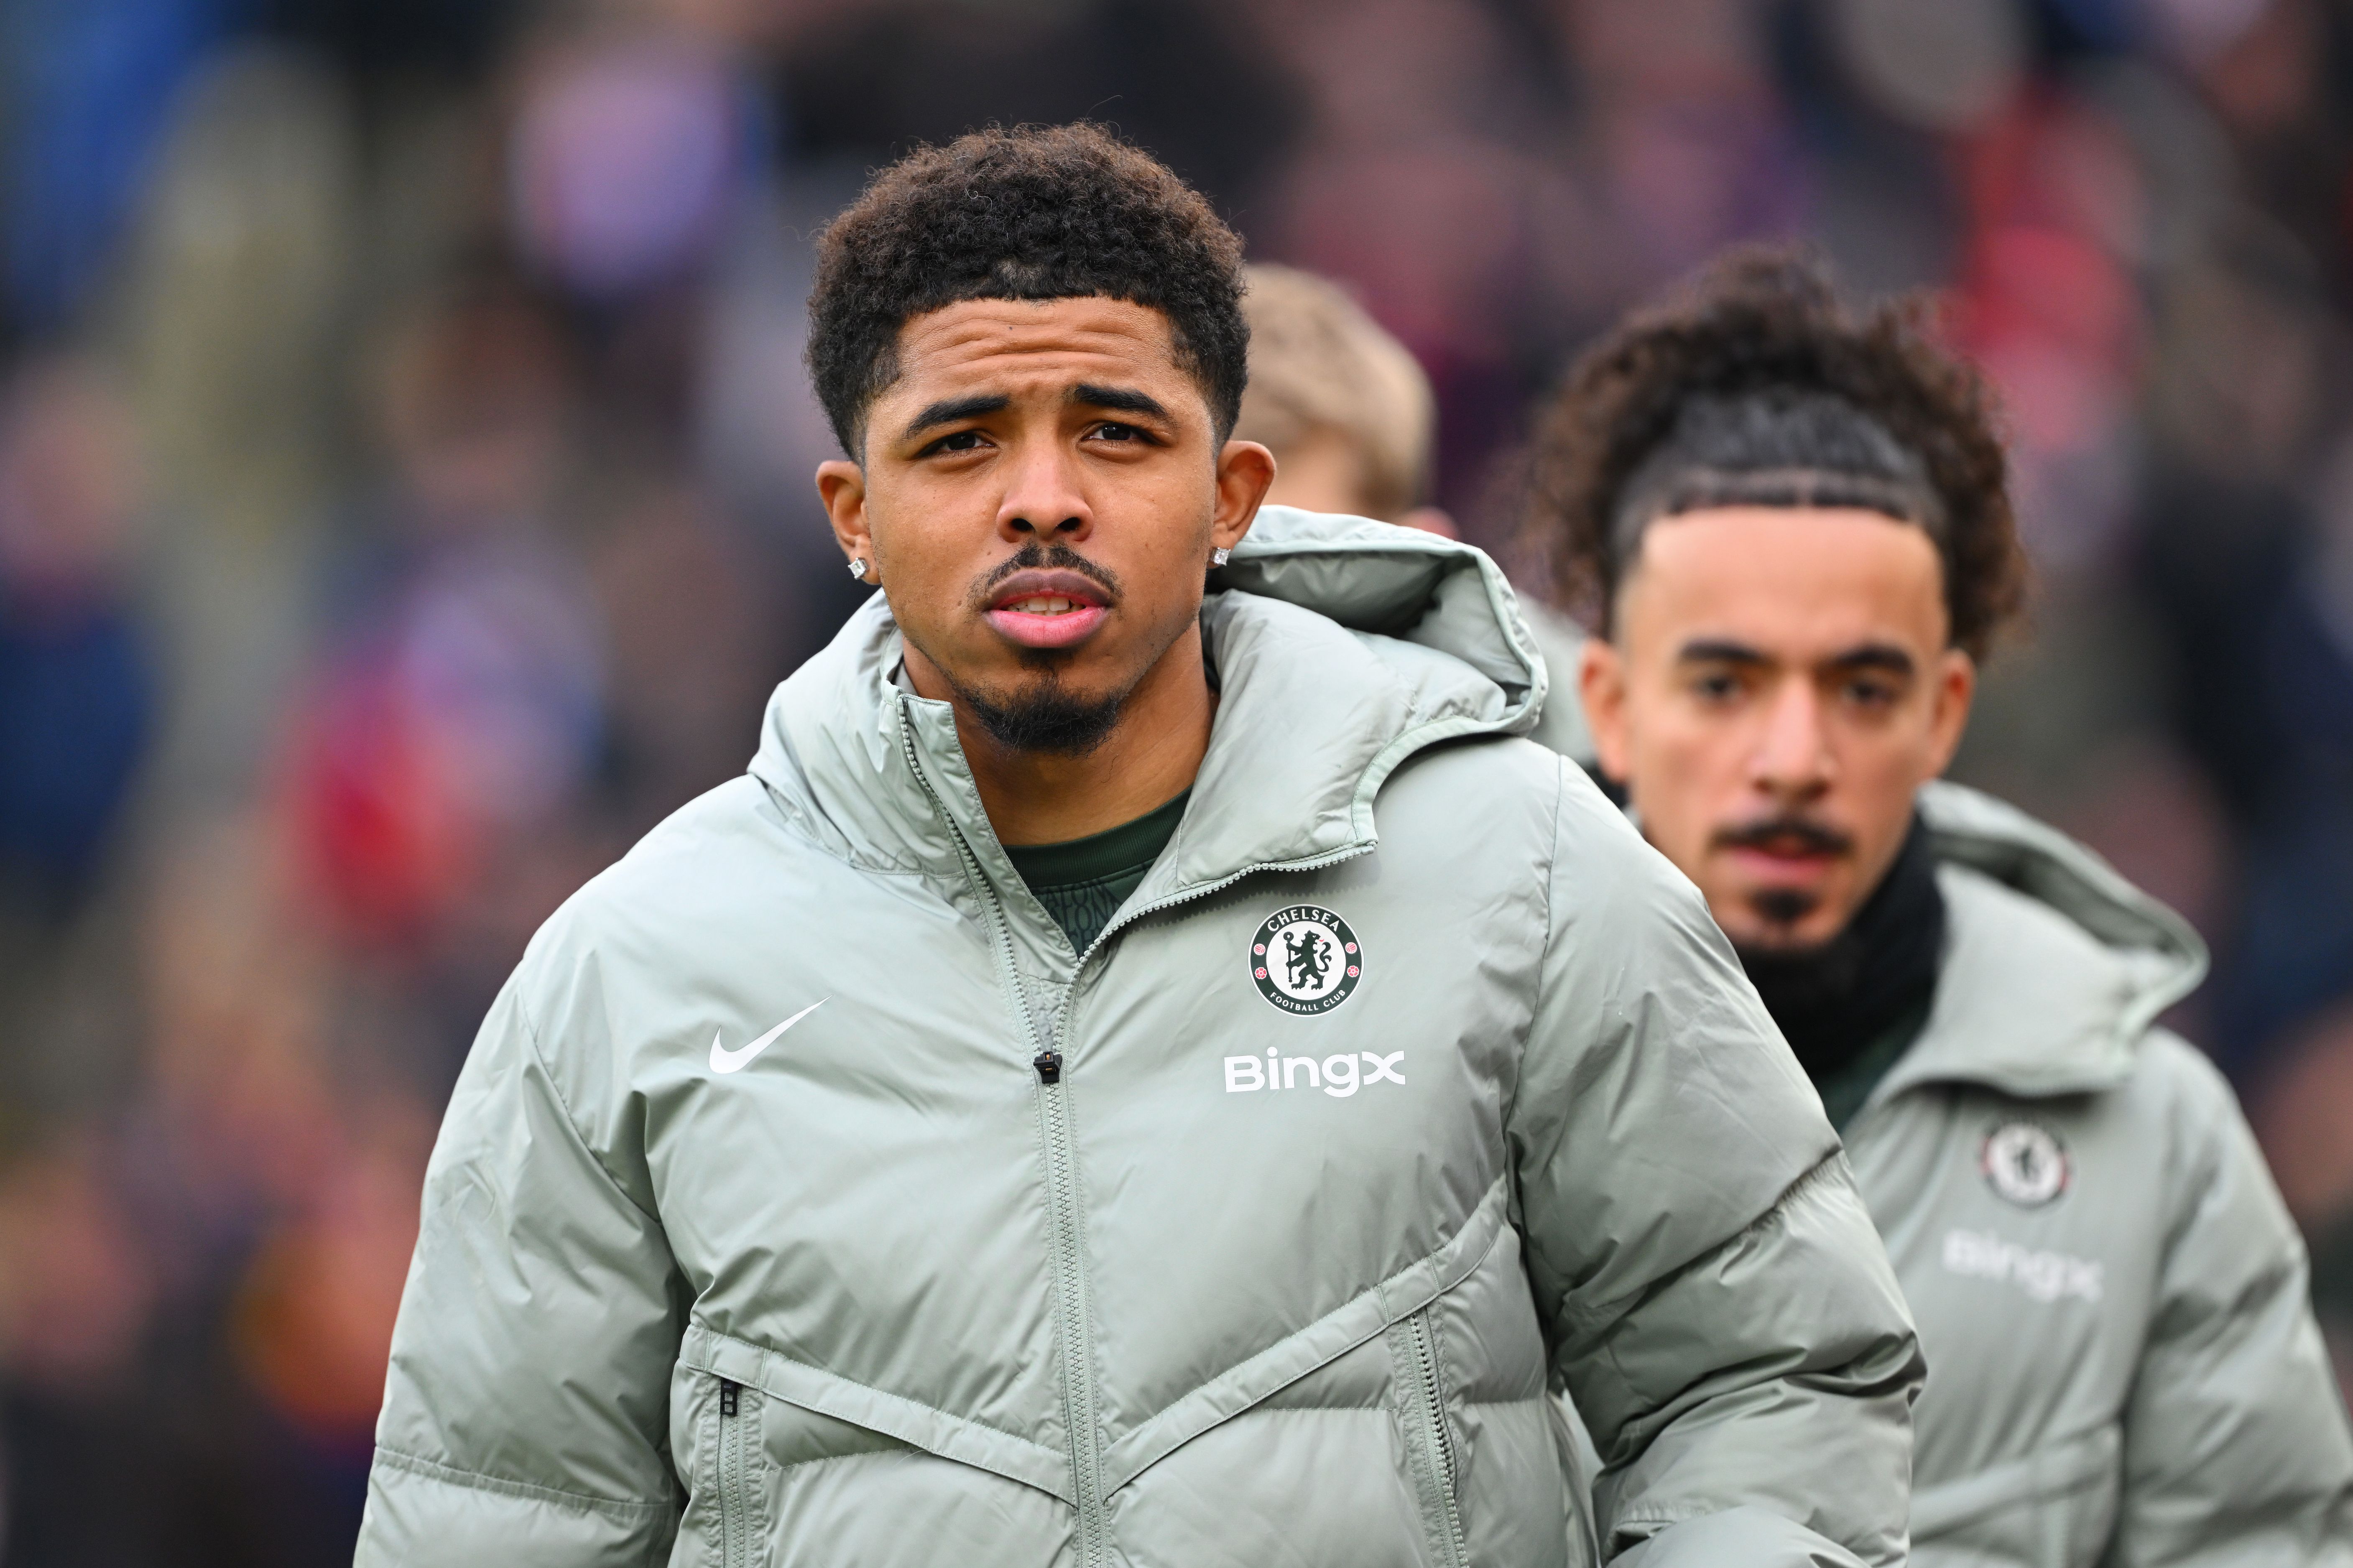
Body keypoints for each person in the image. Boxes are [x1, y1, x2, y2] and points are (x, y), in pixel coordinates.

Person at [356, 127, 1922, 1568]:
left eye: (1115, 433)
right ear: (850, 510)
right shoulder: (632, 972)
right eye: (960, 442)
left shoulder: (1518, 868)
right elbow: (495, 1519)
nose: (1043, 500)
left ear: (1233, 490)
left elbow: (1767, 1377)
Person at [1528, 246, 2353, 1565]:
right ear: (1614, 703)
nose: (1793, 754)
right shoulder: (1427, 1082)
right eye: (1725, 683)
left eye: (1859, 686)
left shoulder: (2155, 1138)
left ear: (1943, 709)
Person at [1233, 260, 1593, 760]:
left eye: (1301, 574)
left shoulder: (1602, 787)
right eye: (1215, 578)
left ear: (1419, 563)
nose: (1236, 628)